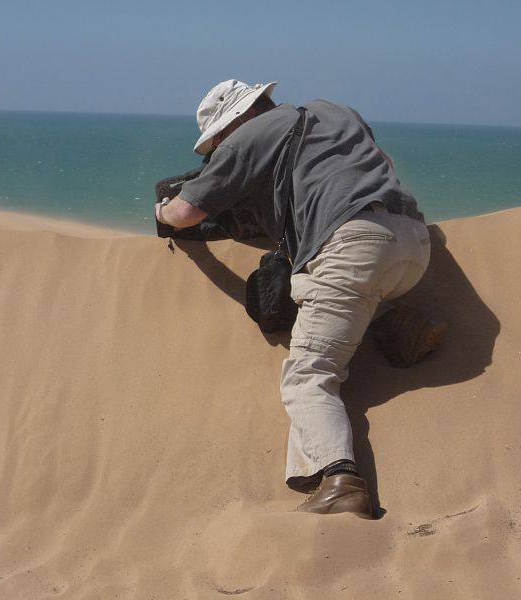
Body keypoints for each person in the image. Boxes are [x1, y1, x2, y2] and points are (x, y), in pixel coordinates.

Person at [155, 79, 441, 519]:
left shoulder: (247, 137)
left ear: (241, 118)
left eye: (218, 140)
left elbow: (185, 213)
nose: (220, 148)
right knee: (349, 297)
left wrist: (162, 211)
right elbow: (381, 162)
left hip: (350, 246)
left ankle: (339, 479)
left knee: (309, 375)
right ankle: (395, 325)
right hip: (413, 244)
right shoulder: (335, 110)